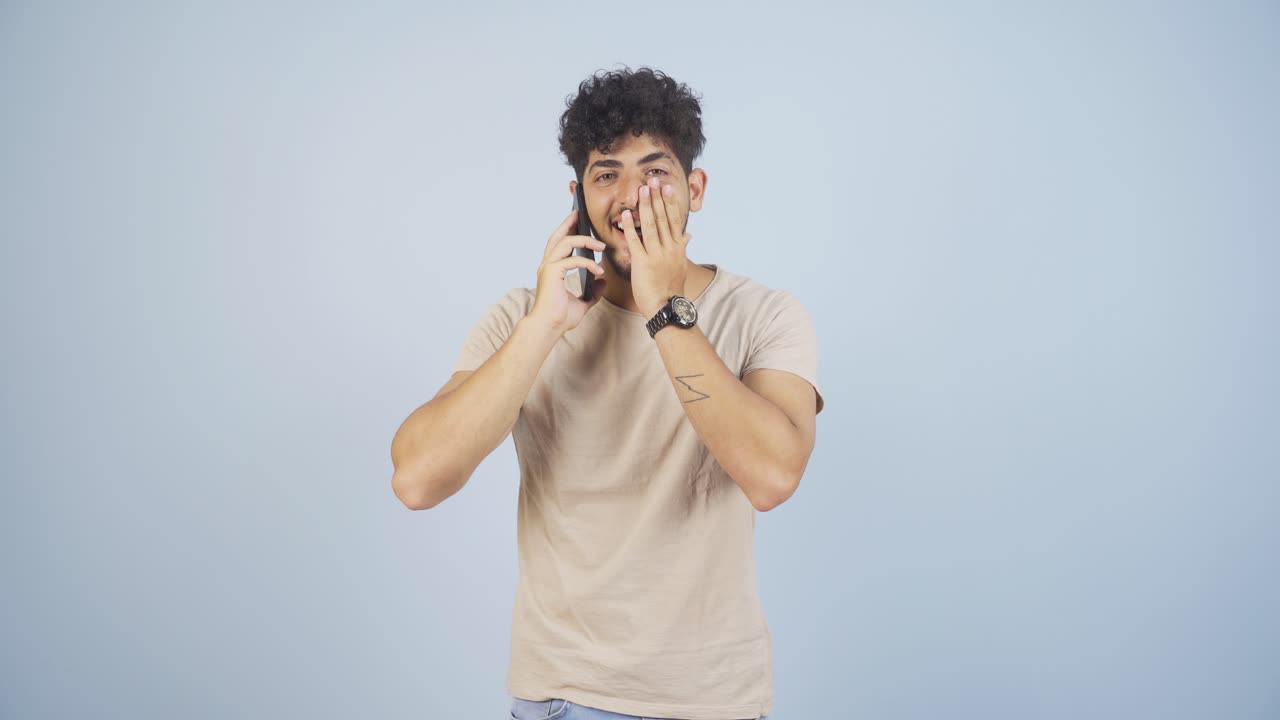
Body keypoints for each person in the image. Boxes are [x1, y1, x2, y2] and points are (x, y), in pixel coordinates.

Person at [390, 66, 824, 720]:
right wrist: (545, 323)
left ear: (694, 188)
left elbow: (772, 475)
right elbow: (417, 480)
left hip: (714, 700)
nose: (631, 195)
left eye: (654, 171)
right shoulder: (520, 319)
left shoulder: (766, 315)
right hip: (565, 697)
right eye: (606, 175)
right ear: (577, 198)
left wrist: (665, 309)